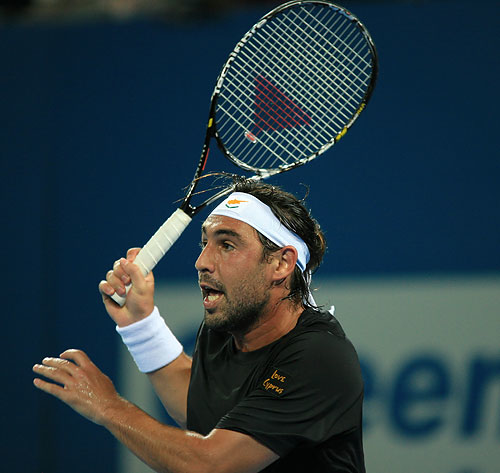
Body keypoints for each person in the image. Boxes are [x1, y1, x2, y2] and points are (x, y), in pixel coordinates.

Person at [33, 179, 366, 473]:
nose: (202, 262)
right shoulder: (224, 328)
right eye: (205, 242)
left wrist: (109, 406)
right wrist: (140, 324)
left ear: (281, 263)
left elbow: (209, 464)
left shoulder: (319, 357)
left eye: (227, 244)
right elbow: (201, 410)